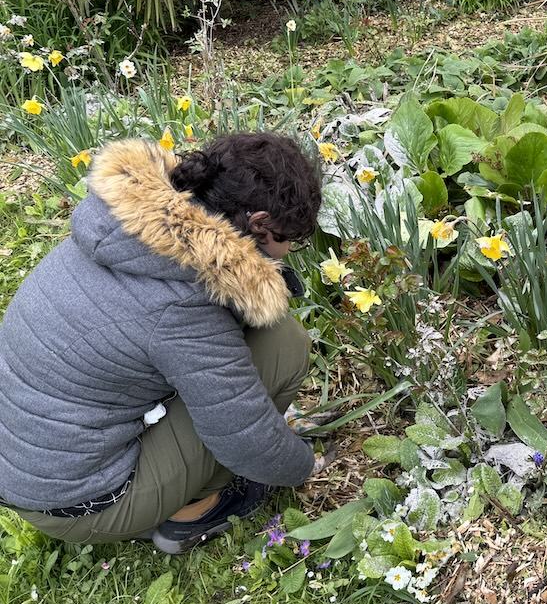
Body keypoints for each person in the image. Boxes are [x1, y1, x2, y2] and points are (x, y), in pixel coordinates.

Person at [0, 133, 327, 553]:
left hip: (25, 467)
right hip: (81, 504)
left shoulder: (131, 227)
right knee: (283, 343)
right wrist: (304, 466)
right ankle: (193, 509)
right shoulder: (182, 306)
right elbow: (246, 439)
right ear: (259, 224)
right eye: (288, 240)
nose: (288, 253)